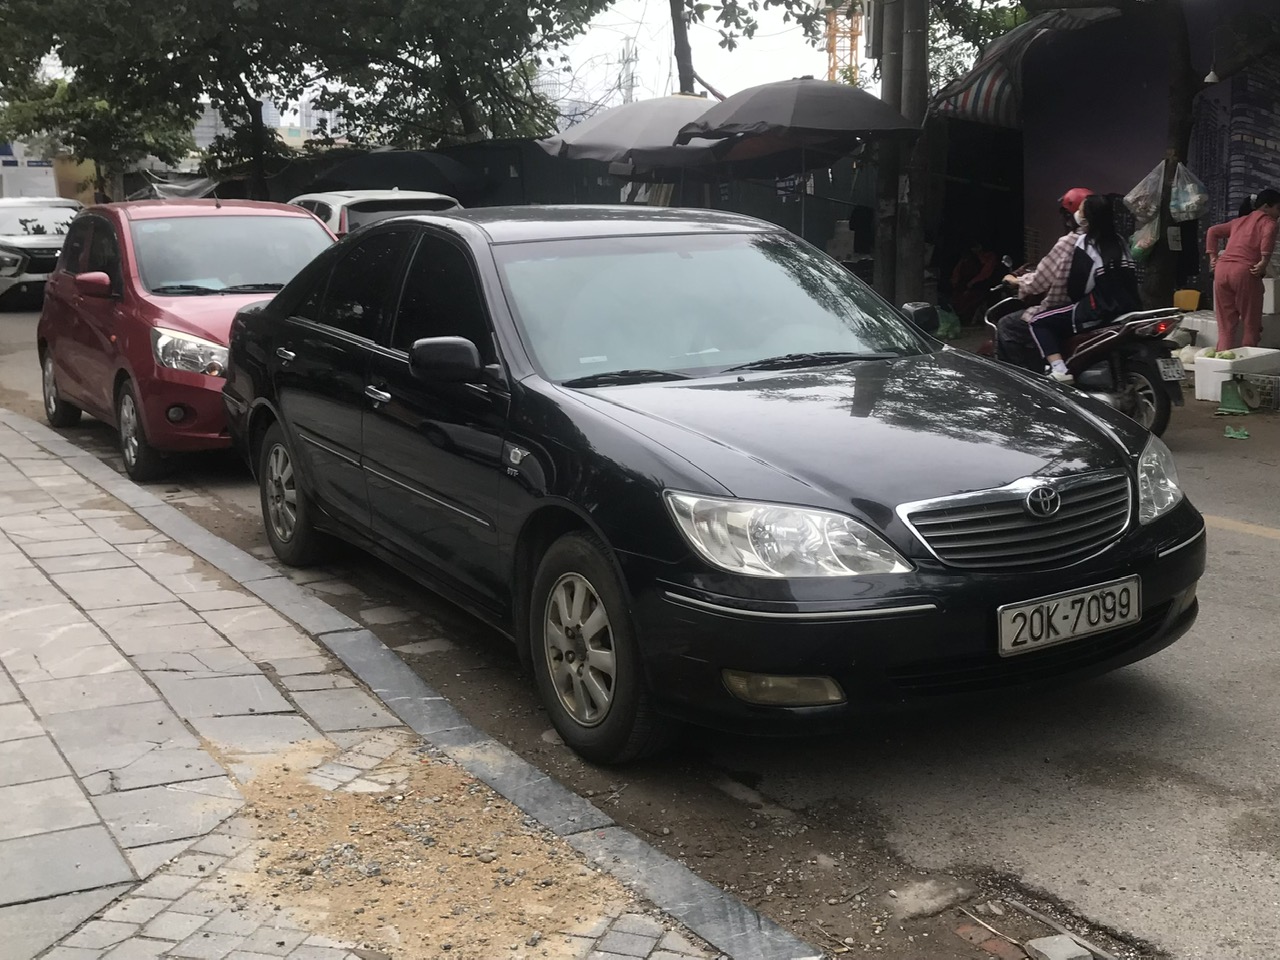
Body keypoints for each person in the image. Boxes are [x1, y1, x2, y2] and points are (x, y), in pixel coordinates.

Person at [1026, 195, 1142, 383]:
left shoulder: (1085, 242)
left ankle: (1059, 369)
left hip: (1100, 308)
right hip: (1130, 305)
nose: (1077, 213)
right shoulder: (1120, 240)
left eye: (1081, 209)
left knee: (1038, 321)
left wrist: (1079, 302)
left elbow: (1078, 287)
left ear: (1088, 217)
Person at [995, 187, 1091, 372]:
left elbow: (1039, 281)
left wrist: (1017, 281)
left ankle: (1024, 380)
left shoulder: (1069, 242)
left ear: (1071, 217)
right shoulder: (1101, 240)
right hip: (1087, 308)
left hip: (1060, 309)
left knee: (1007, 325)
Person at [1206, 187, 1280, 351]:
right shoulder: (1269, 222)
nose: (1278, 213)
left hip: (1222, 270)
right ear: (1266, 207)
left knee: (1225, 326)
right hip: (1245, 272)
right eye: (1278, 208)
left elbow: (1212, 231)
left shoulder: (1238, 222)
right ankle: (1245, 369)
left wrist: (1213, 257)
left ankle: (1221, 365)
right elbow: (1269, 234)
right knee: (1250, 324)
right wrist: (1263, 262)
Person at [947, 239, 999, 323]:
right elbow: (957, 272)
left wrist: (972, 283)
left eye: (976, 247)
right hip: (964, 284)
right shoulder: (967, 258)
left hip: (981, 285)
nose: (974, 250)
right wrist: (955, 282)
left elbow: (985, 274)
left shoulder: (990, 257)